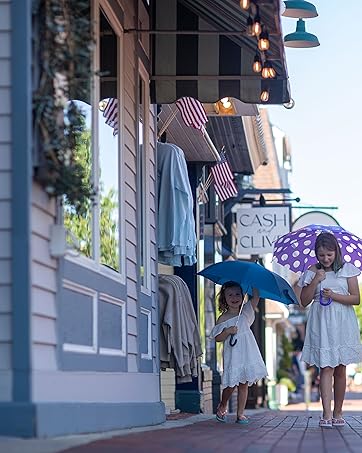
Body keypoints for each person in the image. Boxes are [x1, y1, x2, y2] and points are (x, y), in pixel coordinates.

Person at [298, 232, 362, 428]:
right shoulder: (312, 271)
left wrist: (334, 295)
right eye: (321, 255)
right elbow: (304, 300)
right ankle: (326, 413)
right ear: (316, 254)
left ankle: (338, 411)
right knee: (325, 367)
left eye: (329, 254)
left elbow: (356, 298)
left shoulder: (347, 270)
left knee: (340, 368)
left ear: (337, 252)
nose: (325, 259)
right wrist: (316, 280)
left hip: (342, 321)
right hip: (321, 322)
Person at [210, 281, 267, 424]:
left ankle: (240, 414)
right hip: (233, 354)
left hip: (247, 352)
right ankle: (223, 405)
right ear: (224, 298)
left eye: (237, 294)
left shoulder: (246, 311)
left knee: (244, 383)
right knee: (230, 385)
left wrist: (254, 281)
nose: (234, 297)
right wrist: (227, 331)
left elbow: (256, 298)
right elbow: (217, 338)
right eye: (230, 294)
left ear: (242, 296)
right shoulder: (223, 318)